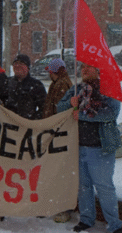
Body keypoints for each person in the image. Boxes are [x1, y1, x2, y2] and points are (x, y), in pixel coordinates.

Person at [57, 63, 122, 233]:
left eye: (89, 67)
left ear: (97, 69)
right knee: (83, 186)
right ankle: (86, 220)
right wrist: (69, 104)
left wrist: (83, 115)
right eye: (83, 67)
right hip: (79, 146)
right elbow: (60, 108)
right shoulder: (76, 89)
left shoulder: (107, 88)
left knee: (104, 187)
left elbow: (111, 113)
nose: (85, 70)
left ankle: (115, 225)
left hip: (101, 147)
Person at [42, 58, 73, 223]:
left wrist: (51, 127)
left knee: (60, 172)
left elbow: (59, 110)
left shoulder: (62, 85)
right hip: (55, 132)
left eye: (51, 71)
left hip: (59, 133)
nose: (49, 74)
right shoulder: (58, 83)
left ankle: (63, 208)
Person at [2, 54, 47, 120]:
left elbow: (44, 108)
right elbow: (0, 100)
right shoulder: (7, 82)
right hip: (8, 124)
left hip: (26, 126)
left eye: (21, 63)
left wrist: (32, 120)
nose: (17, 66)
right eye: (15, 63)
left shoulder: (36, 85)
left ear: (28, 67)